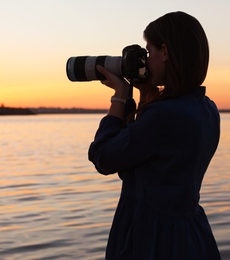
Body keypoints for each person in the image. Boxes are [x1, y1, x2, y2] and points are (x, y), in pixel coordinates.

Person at [88, 11, 221, 259]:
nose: (145, 61)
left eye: (149, 52)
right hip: (191, 235)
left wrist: (119, 95)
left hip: (152, 241)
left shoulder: (163, 116)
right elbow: (147, 160)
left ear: (166, 52)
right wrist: (145, 94)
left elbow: (104, 157)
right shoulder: (207, 109)